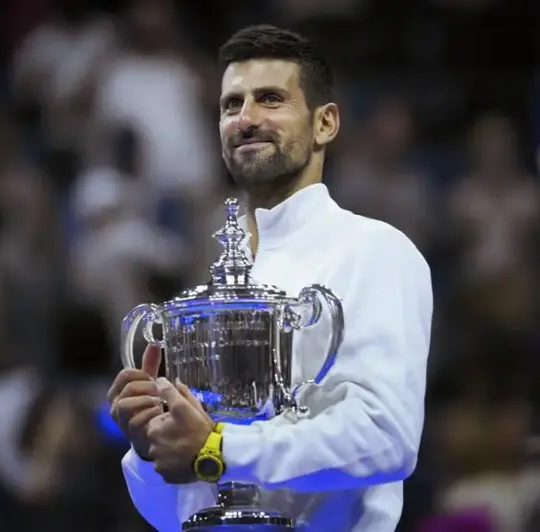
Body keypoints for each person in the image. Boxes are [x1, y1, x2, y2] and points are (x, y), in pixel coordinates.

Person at [107, 25, 433, 531]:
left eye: (270, 99)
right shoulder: (222, 287)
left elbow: (385, 437)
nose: (246, 119)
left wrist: (218, 445)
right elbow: (178, 517)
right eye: (230, 105)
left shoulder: (374, 251)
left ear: (325, 123)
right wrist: (153, 448)